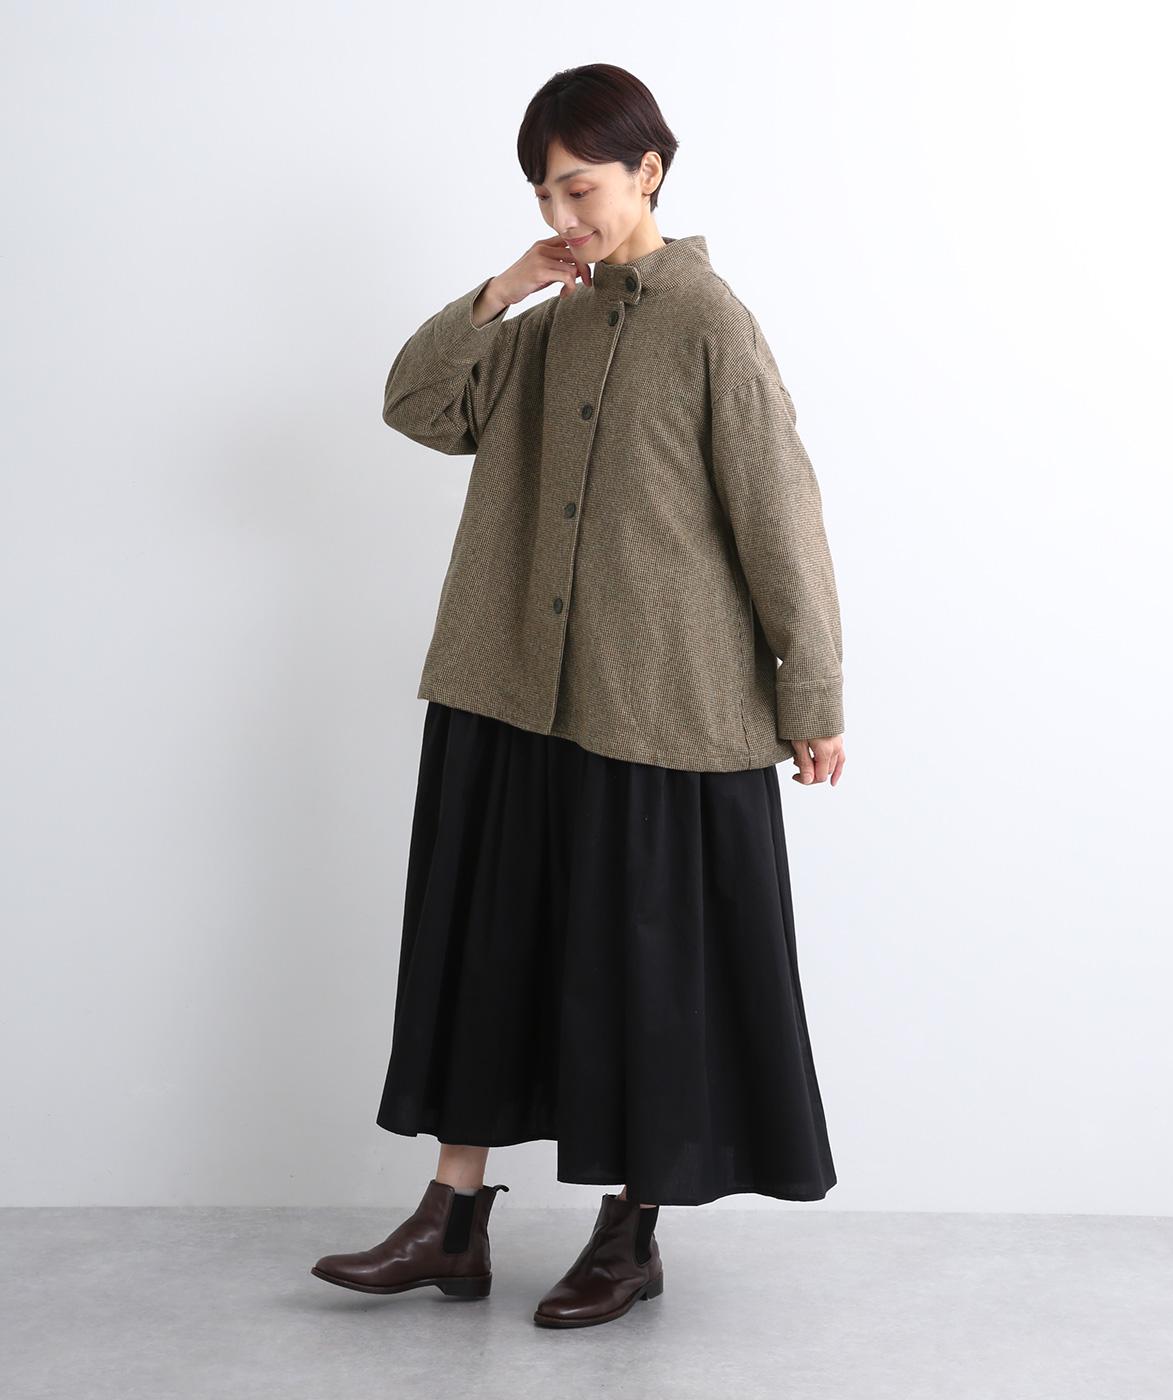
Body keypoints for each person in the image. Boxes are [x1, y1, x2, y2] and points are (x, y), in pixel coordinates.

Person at [312, 62, 846, 1330]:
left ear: (648, 172)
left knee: (641, 973)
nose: (565, 215)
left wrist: (812, 690)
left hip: (655, 704)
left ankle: (630, 1231)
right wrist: (502, 290)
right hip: (511, 687)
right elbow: (417, 404)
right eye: (546, 195)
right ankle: (451, 1219)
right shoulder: (542, 327)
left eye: (581, 189)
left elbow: (780, 516)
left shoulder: (711, 322)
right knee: (487, 949)